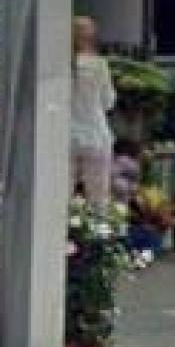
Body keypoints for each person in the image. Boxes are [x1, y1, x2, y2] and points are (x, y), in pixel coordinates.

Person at [69, 17, 118, 206]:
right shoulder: (99, 65)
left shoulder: (59, 65)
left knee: (61, 193)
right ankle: (97, 232)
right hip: (96, 133)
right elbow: (108, 102)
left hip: (67, 135)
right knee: (98, 196)